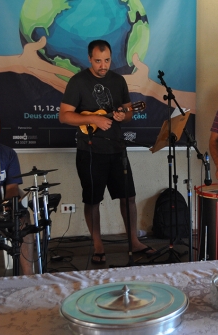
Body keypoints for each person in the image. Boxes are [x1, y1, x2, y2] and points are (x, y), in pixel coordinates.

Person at [59, 40, 155, 265]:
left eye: (107, 60)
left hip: (117, 148)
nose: (103, 65)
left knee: (128, 197)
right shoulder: (78, 81)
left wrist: (124, 115)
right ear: (89, 59)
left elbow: (128, 111)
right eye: (98, 61)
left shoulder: (118, 80)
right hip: (90, 150)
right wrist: (93, 118)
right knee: (92, 200)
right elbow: (64, 115)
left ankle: (133, 240)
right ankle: (98, 244)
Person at [0, 108, 34, 275]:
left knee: (23, 219)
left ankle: (28, 276)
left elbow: (12, 187)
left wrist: (10, 205)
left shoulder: (8, 153)